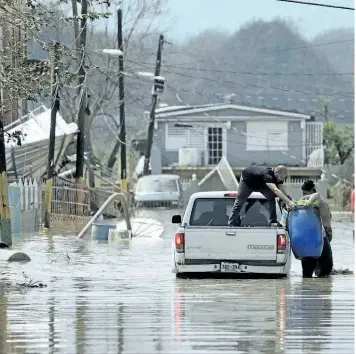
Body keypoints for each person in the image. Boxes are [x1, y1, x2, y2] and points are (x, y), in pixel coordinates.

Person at [228, 165, 295, 227]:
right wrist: (289, 202)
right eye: (281, 177)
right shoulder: (268, 175)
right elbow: (275, 190)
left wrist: (286, 201)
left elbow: (281, 189)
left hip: (261, 183)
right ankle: (232, 222)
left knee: (271, 198)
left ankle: (273, 221)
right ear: (276, 172)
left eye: (283, 178)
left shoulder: (278, 176)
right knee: (239, 202)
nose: (282, 180)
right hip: (247, 182)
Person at [300, 180, 333, 277]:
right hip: (327, 230)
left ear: (310, 191)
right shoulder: (322, 201)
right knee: (320, 258)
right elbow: (330, 215)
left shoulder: (316, 199)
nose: (304, 195)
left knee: (319, 258)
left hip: (323, 232)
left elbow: (316, 195)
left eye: (305, 193)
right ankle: (319, 278)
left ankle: (318, 276)